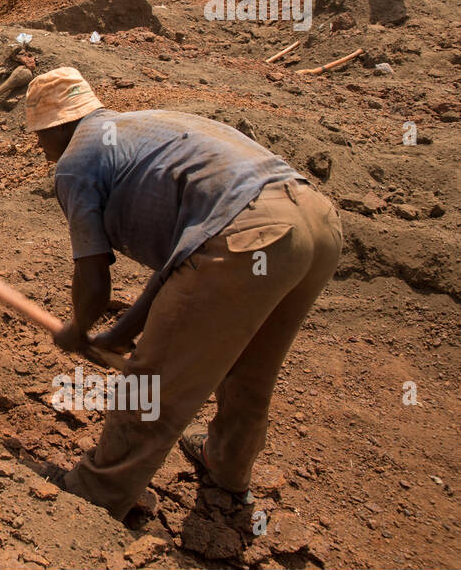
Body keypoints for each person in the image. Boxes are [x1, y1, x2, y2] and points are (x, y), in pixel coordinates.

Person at [20, 67, 342, 521]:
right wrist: (117, 334)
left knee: (152, 382)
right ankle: (226, 468)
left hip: (247, 234)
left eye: (39, 136)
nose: (40, 148)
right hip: (314, 222)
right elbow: (186, 267)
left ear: (57, 126)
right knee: (250, 369)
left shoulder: (76, 161)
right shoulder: (145, 127)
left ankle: (95, 493)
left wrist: (79, 327)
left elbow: (93, 279)